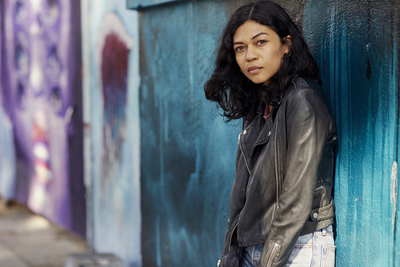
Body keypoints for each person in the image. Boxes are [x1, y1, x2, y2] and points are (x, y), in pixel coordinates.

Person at [204, 1, 338, 267]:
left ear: (286, 45)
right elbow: (241, 191)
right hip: (254, 248)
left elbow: (296, 200)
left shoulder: (303, 100)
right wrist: (231, 253)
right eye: (240, 48)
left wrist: (268, 261)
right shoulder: (259, 105)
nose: (249, 55)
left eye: (260, 42)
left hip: (297, 247)